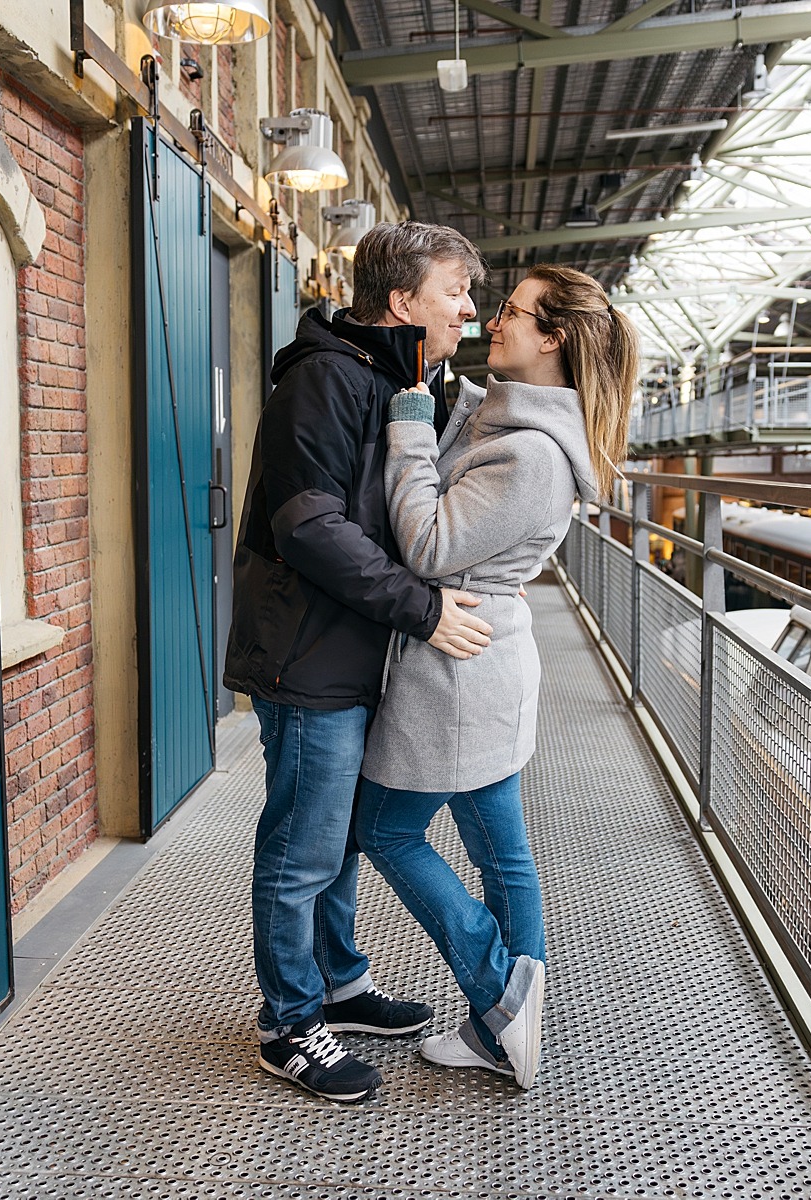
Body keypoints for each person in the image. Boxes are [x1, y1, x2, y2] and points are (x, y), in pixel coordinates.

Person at [223, 221, 498, 1104]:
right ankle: (288, 1022)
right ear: (400, 301)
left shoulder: (389, 378)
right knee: (303, 847)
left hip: (352, 650)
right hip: (307, 655)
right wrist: (422, 610)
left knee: (335, 834)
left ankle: (339, 984)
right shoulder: (328, 379)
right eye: (454, 290)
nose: (469, 307)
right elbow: (310, 527)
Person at [354, 265, 640, 1089]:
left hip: (458, 675)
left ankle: (503, 994)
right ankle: (498, 1031)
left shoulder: (535, 457)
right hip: (482, 666)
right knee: (501, 853)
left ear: (553, 338)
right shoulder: (510, 417)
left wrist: (410, 421)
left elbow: (431, 547)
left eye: (512, 312)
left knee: (386, 829)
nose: (492, 319)